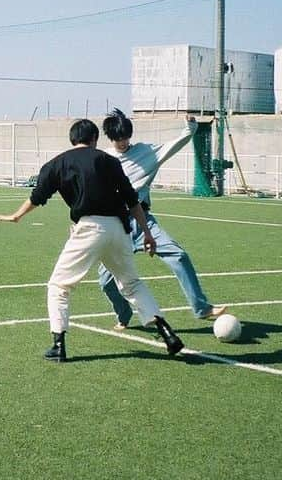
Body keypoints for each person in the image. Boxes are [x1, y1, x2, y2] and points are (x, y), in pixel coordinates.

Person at [0, 117, 185, 363]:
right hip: (119, 229)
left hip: (88, 228)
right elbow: (132, 200)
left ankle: (58, 344)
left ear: (72, 139)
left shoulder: (56, 164)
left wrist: (16, 216)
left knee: (59, 286)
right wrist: (147, 233)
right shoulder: (111, 161)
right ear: (95, 140)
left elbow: (38, 196)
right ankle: (167, 333)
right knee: (132, 283)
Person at [98, 108, 228, 331]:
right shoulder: (104, 159)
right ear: (110, 138)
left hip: (142, 220)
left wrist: (190, 128)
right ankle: (124, 314)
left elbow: (174, 145)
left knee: (178, 255)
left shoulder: (146, 152)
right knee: (106, 282)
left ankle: (201, 307)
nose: (122, 142)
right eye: (117, 139)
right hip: (115, 225)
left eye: (125, 137)